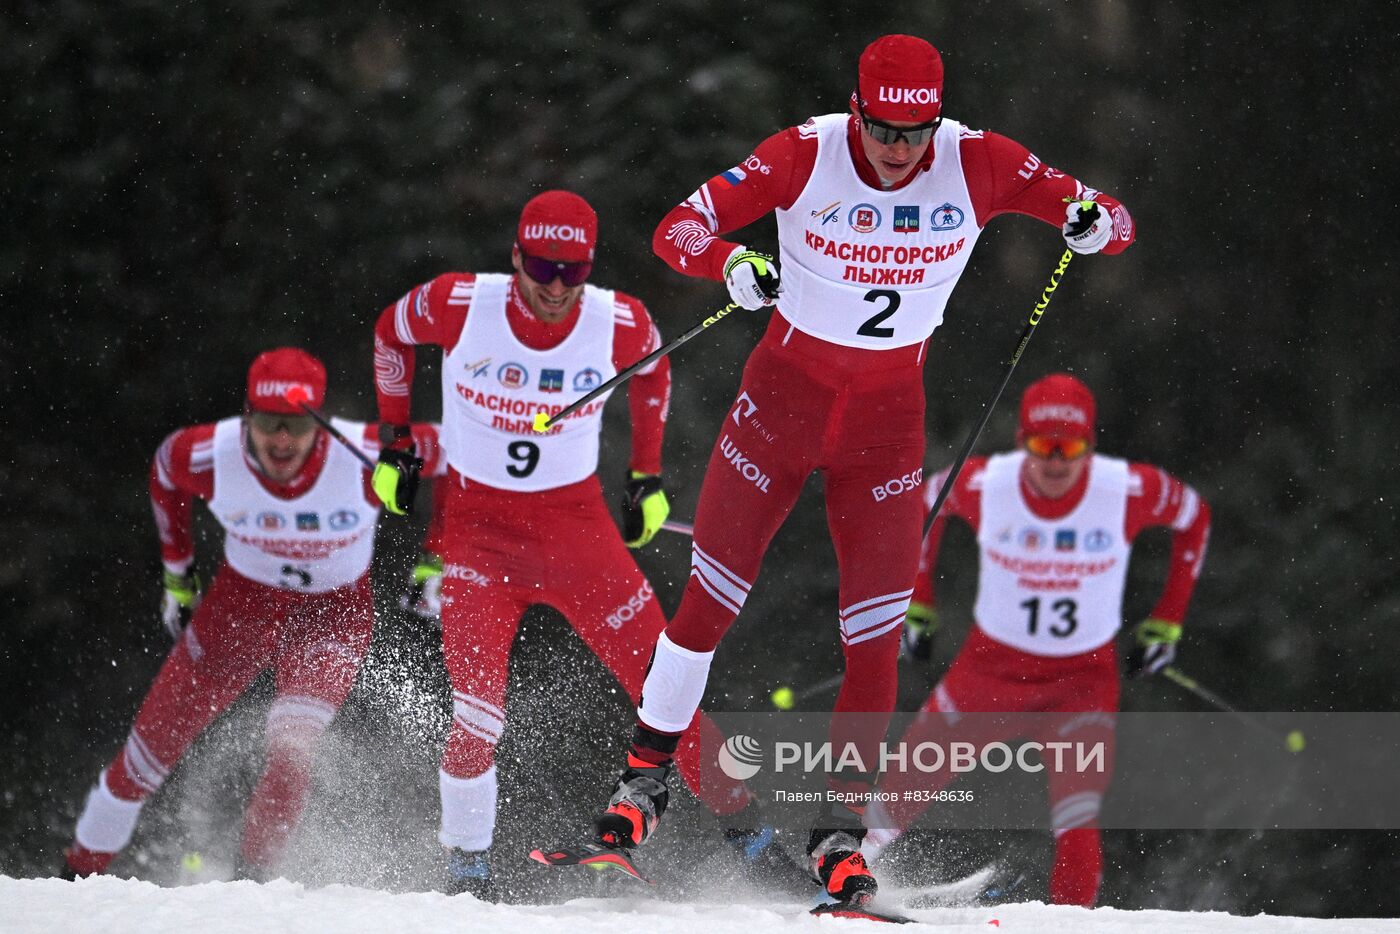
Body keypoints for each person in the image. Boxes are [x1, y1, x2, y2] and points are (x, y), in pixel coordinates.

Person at [590, 33, 1137, 907]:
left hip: (885, 433)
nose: (899, 149)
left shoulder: (978, 161)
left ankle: (839, 837)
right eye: (883, 129)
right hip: (779, 408)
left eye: (916, 131)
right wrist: (729, 262)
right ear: (857, 110)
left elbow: (1110, 219)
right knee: (707, 605)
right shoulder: (802, 154)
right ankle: (641, 784)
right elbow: (676, 228)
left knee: (873, 640)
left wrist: (1093, 222)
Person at [368, 189, 761, 900]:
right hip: (481, 543)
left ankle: (756, 840)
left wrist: (645, 477)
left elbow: (654, 370)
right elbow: (389, 332)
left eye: (572, 272)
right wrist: (397, 440)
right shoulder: (458, 303)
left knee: (664, 687)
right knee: (478, 712)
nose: (554, 288)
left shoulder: (621, 321)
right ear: (516, 257)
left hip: (578, 535)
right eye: (542, 268)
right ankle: (467, 873)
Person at [61, 348, 444, 882]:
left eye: (294, 425)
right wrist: (177, 574)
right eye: (268, 424)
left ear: (319, 422)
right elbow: (166, 470)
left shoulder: (364, 455)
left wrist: (435, 560)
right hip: (239, 611)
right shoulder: (208, 455)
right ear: (248, 417)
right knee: (147, 755)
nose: (281, 441)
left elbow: (455, 455)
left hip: (333, 617)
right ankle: (74, 877)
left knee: (293, 747)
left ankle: (251, 887)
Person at [861, 372, 1212, 906]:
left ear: (1088, 445)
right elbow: (923, 504)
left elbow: (1195, 516)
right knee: (908, 778)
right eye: (1040, 446)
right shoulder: (987, 483)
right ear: (1022, 441)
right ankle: (846, 873)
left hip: (1081, 683)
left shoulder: (1127, 489)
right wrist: (919, 602)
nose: (1054, 462)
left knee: (1077, 811)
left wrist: (1168, 620)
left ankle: (1071, 919)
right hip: (989, 671)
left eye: (1068, 447)